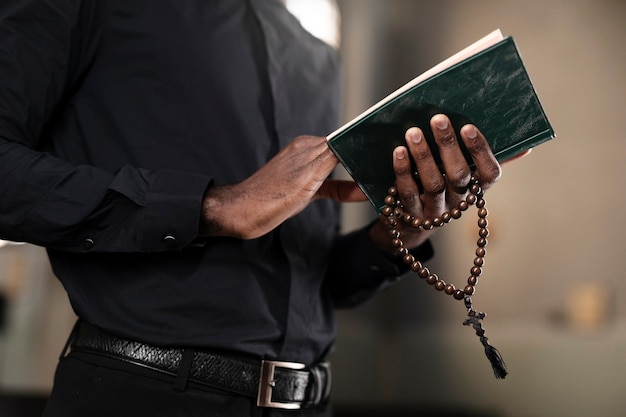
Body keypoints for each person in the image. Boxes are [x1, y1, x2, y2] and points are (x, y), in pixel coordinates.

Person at [0, 1, 503, 416]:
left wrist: (403, 232)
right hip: (139, 396)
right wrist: (218, 206)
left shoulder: (319, 60)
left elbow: (310, 284)